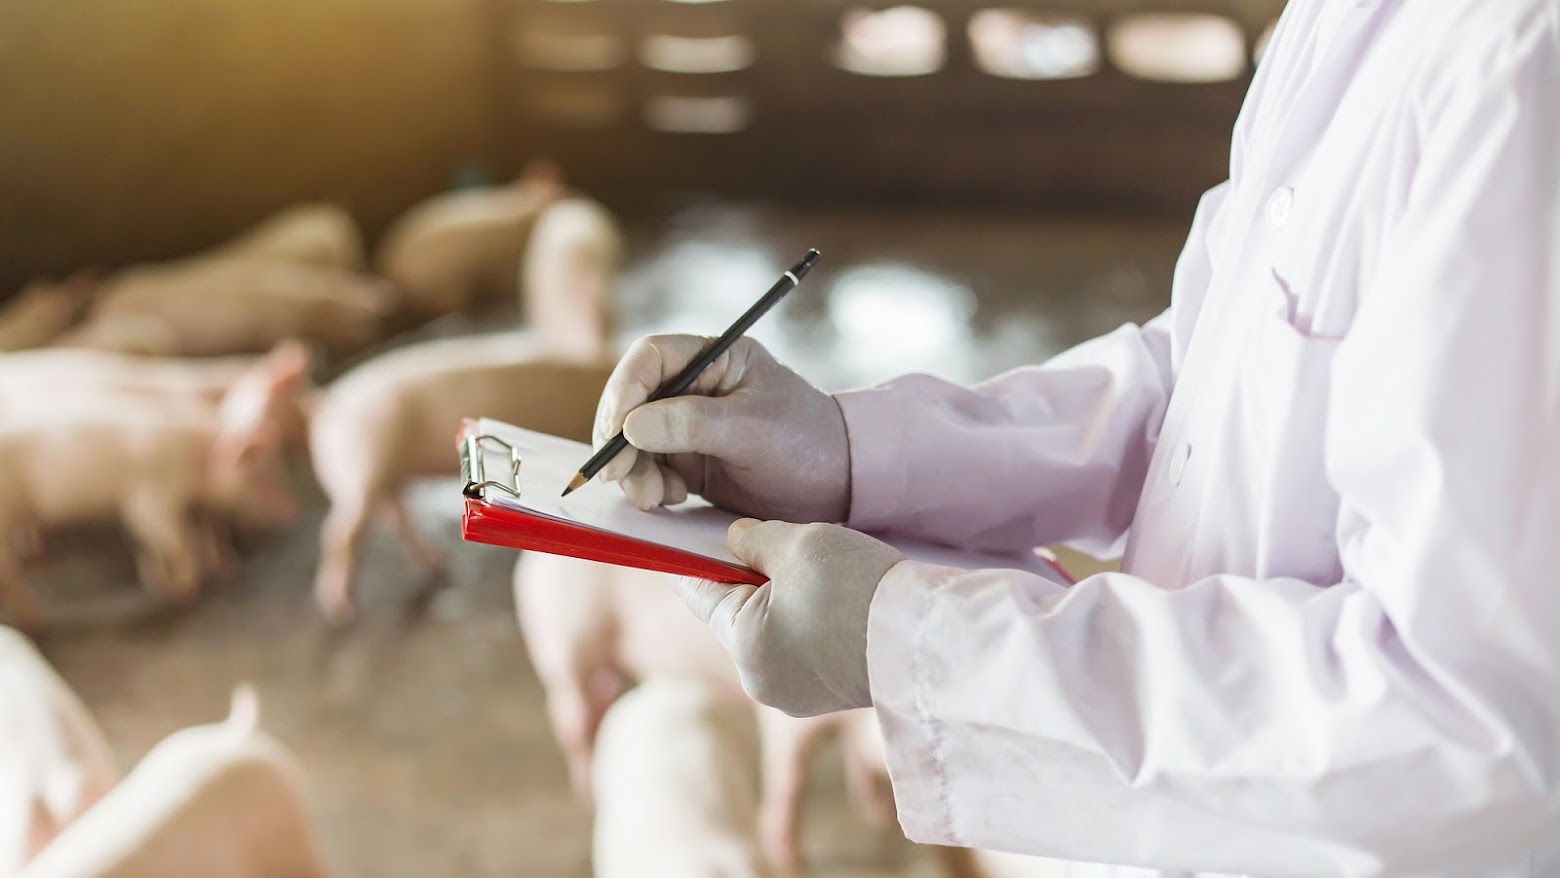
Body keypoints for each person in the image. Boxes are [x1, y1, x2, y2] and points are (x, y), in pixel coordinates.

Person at [592, 1, 1560, 875]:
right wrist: (846, 450)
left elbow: (1466, 722)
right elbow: (1214, 372)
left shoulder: (1521, 65)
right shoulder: (1341, 20)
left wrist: (911, 639)